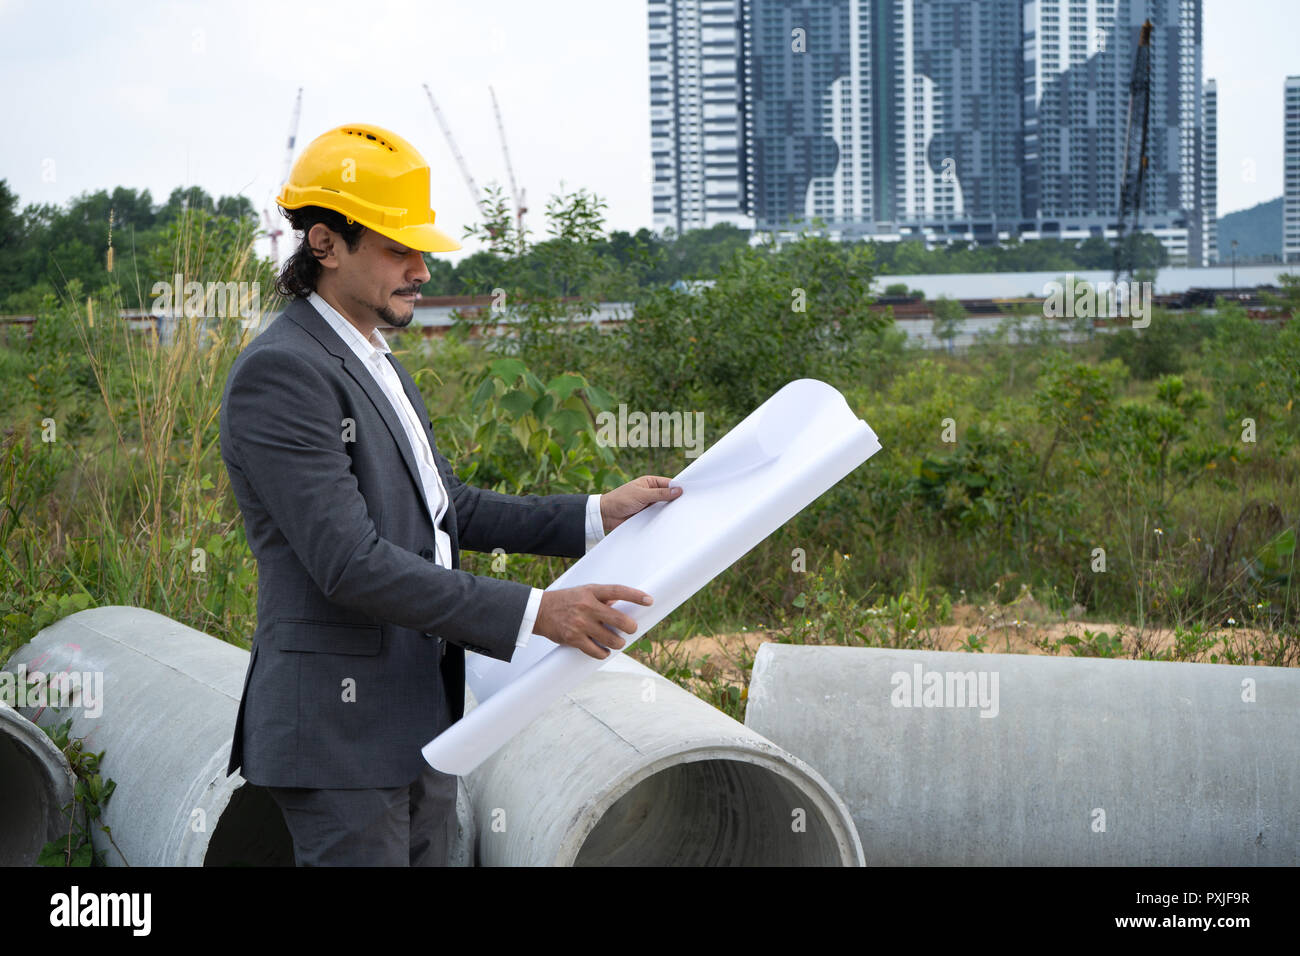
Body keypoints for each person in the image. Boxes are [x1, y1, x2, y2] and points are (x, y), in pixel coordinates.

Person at [219, 122, 680, 866]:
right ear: (324, 243)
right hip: (341, 739)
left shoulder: (374, 358)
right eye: (398, 248)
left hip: (419, 721)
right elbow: (350, 563)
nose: (422, 270)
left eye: (422, 249)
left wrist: (596, 514)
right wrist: (537, 612)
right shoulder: (284, 374)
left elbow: (445, 509)